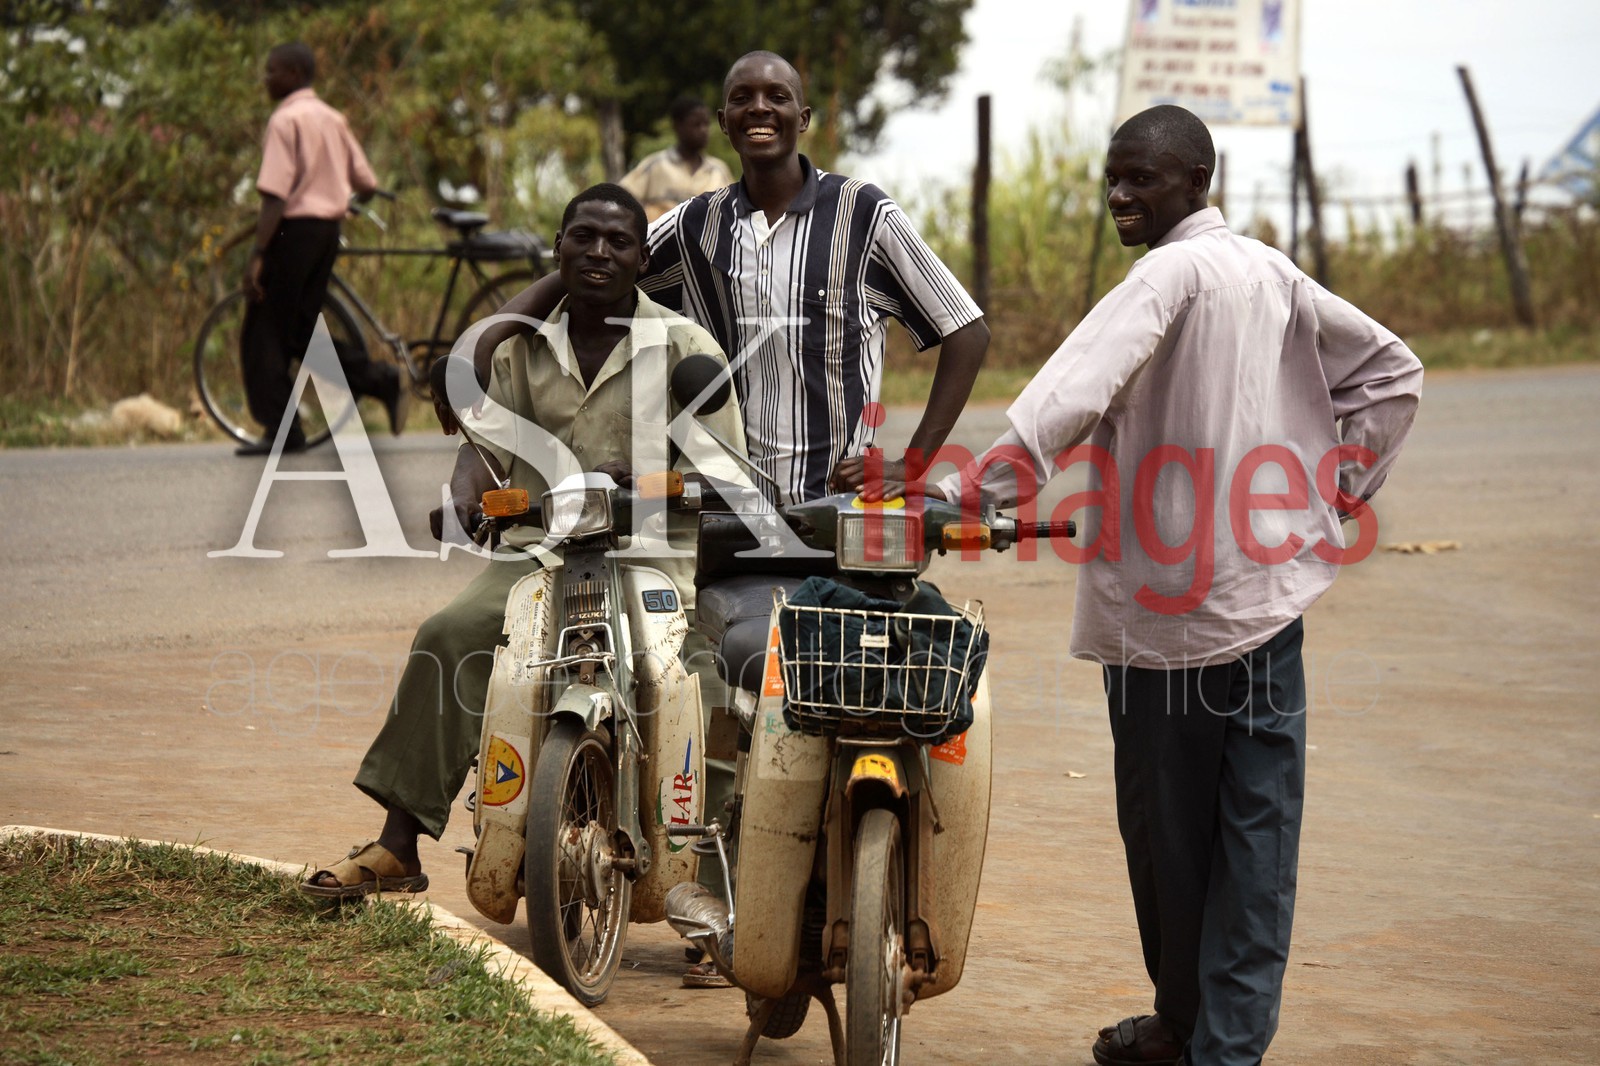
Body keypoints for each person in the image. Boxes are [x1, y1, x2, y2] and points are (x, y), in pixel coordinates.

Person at [921, 106, 1424, 1066]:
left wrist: (966, 496)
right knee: (1257, 841)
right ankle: (1207, 1039)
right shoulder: (1271, 271)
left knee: (1169, 844)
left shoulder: (1166, 276)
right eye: (1113, 178)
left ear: (1197, 180)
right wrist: (1335, 494)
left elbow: (1066, 397)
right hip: (1268, 612)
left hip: (1167, 628)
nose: (1120, 195)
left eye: (1141, 179)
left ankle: (1198, 1033)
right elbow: (1392, 374)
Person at [300, 183, 747, 898]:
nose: (599, 252)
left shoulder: (686, 349)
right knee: (450, 635)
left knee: (698, 685)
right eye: (583, 236)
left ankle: (712, 888)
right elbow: (483, 446)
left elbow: (724, 481)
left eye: (619, 241)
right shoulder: (521, 348)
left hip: (651, 561)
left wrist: (643, 482)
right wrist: (464, 496)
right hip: (539, 552)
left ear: (642, 260)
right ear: (558, 248)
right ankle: (397, 845)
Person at [492, 49, 988, 509]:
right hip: (723, 512)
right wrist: (482, 343)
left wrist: (912, 465)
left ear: (803, 118)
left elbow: (966, 331)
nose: (759, 108)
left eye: (777, 96)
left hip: (840, 506)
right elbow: (594, 268)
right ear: (724, 122)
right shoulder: (694, 226)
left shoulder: (863, 213)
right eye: (742, 98)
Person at [239, 42, 404, 458]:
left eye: (272, 71)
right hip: (326, 233)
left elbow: (275, 196)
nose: (266, 79)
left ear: (294, 73)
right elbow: (366, 183)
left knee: (263, 332)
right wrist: (334, 196)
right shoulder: (333, 118)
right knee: (298, 331)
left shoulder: (285, 120)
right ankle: (380, 379)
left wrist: (257, 253)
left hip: (292, 233)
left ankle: (284, 430)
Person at [619, 94, 735, 222]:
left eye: (706, 124)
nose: (704, 130)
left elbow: (733, 210)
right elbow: (621, 196)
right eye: (696, 125)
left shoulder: (718, 170)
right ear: (678, 126)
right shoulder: (656, 165)